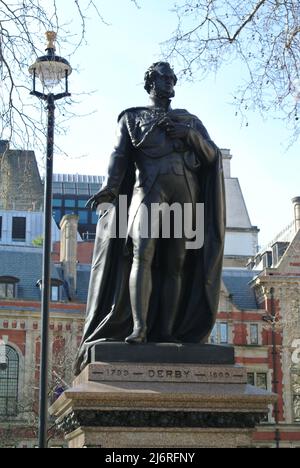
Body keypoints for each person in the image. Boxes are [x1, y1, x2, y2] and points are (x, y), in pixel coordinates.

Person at [74, 62, 225, 376]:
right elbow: (119, 156)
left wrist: (191, 136)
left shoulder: (190, 121)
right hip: (148, 192)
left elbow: (212, 156)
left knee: (176, 263)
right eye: (163, 77)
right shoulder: (132, 118)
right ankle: (140, 328)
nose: (169, 82)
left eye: (172, 78)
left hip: (186, 193)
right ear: (150, 83)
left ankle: (167, 332)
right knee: (142, 255)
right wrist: (110, 188)